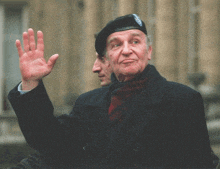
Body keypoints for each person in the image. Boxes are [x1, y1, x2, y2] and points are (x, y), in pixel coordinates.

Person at [8, 14, 218, 168]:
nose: (127, 50)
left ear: (149, 51)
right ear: (108, 57)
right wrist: (31, 84)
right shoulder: (89, 103)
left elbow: (199, 163)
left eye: (135, 41)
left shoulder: (182, 99)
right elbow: (50, 143)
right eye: (116, 45)